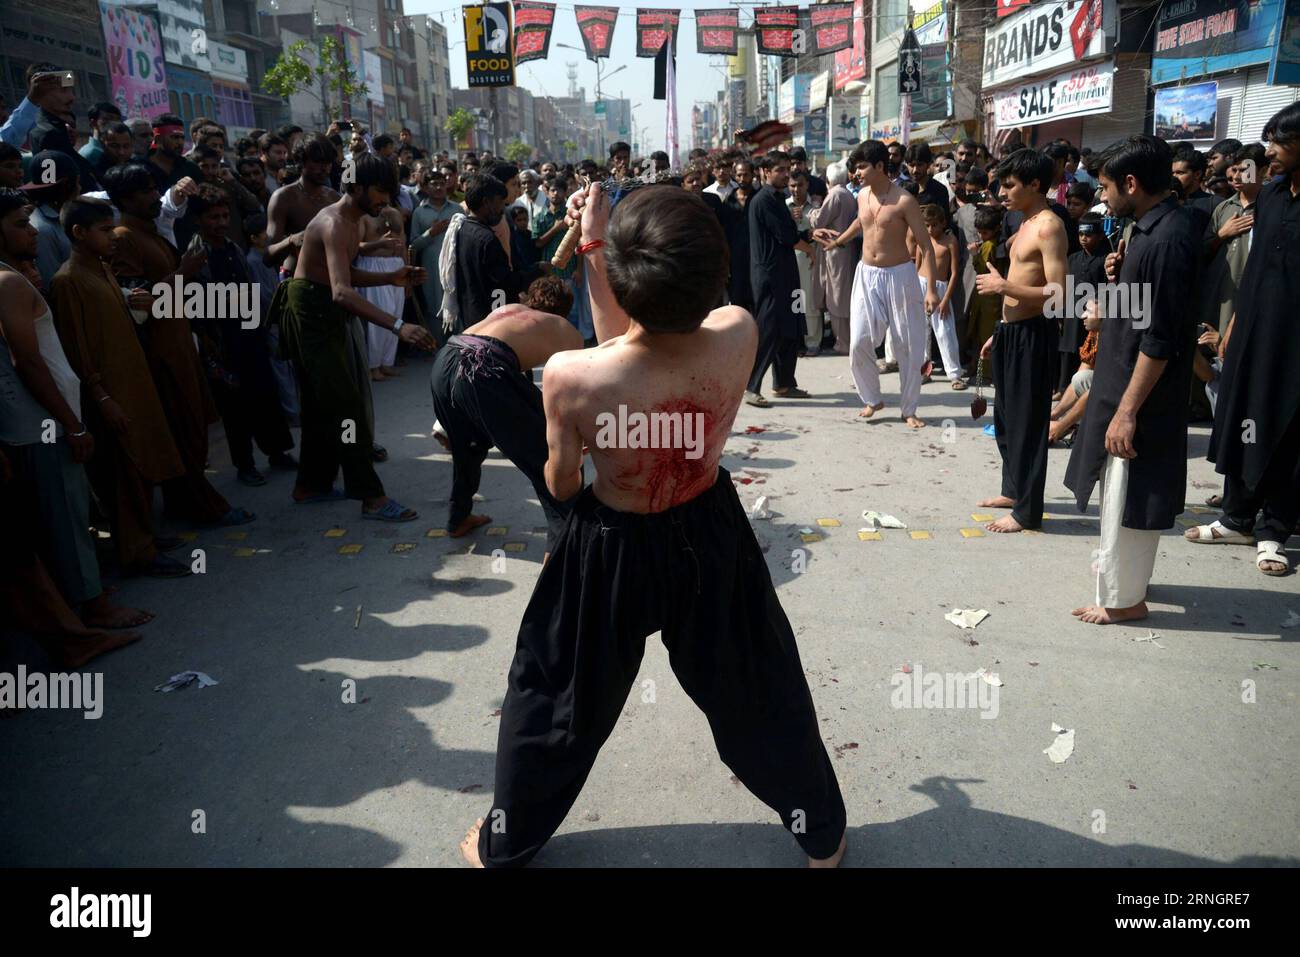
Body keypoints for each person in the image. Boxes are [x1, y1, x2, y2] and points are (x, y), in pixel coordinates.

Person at [461, 183, 847, 869]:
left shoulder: (573, 376)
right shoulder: (738, 330)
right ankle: (820, 831)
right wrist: (595, 243)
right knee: (758, 683)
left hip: (611, 544)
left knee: (555, 693)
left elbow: (562, 479)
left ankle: (509, 836)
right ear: (714, 272)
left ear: (617, 276)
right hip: (708, 528)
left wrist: (594, 244)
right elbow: (648, 339)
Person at [0, 188, 158, 634]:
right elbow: (28, 360)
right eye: (18, 223)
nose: (31, 232)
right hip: (43, 427)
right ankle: (93, 610)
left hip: (38, 424)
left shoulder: (21, 278)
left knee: (63, 518)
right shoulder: (15, 282)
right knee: (68, 522)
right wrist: (72, 423)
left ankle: (80, 601)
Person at [1065, 134, 1199, 622]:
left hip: (1142, 396)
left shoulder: (1167, 239)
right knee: (1116, 491)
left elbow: (1161, 338)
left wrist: (1127, 411)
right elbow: (1142, 309)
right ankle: (1123, 585)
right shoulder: (1142, 229)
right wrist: (1116, 289)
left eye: (1104, 187)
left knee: (1132, 495)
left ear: (1131, 182)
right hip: (1120, 378)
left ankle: (1125, 601)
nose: (1101, 197)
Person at [268, 152, 433, 520]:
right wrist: (396, 325)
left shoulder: (350, 220)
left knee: (320, 406)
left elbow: (340, 276)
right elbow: (341, 291)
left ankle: (310, 485)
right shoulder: (337, 223)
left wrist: (390, 278)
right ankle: (371, 497)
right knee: (348, 411)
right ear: (356, 187)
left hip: (321, 308)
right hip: (312, 314)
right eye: (379, 192)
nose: (385, 201)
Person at [48, 197, 190, 577]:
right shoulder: (68, 281)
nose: (113, 237)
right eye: (105, 231)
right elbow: (77, 348)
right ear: (79, 233)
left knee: (142, 467)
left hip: (133, 382)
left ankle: (145, 535)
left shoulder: (102, 269)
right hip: (110, 391)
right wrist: (102, 396)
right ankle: (136, 551)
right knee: (123, 472)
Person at [1192, 103, 1300, 576]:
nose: (1270, 150)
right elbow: (1254, 270)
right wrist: (1233, 328)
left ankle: (1274, 531)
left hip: (1294, 345)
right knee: (1243, 421)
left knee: (1287, 432)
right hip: (1252, 333)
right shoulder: (1272, 197)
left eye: (1279, 141)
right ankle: (1236, 518)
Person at [430, 297, 581, 545]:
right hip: (482, 368)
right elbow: (569, 398)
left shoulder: (510, 311)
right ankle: (567, 544)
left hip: (445, 360)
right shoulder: (566, 330)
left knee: (468, 448)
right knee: (551, 458)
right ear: (564, 311)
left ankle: (459, 517)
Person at [974, 148, 1068, 533]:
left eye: (1010, 184)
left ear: (1034, 184)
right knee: (1006, 420)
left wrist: (1003, 285)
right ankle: (1013, 491)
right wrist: (1000, 330)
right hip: (1011, 332)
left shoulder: (1049, 226)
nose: (1003, 191)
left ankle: (1027, 513)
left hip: (1034, 334)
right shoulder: (1022, 221)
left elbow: (1059, 294)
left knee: (1028, 425)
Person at [814, 140, 938, 428]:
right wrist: (837, 242)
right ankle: (872, 398)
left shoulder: (904, 200)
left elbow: (926, 246)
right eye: (855, 167)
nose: (857, 173)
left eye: (862, 167)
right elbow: (861, 222)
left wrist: (930, 289)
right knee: (858, 341)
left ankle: (909, 409)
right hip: (867, 274)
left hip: (900, 276)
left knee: (907, 344)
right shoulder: (861, 195)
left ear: (880, 166)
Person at [186, 185, 295, 487]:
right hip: (223, 342)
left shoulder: (232, 248)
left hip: (250, 334)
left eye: (224, 216)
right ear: (199, 219)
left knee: (265, 395)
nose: (220, 222)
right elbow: (195, 305)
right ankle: (245, 464)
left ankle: (277, 452)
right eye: (213, 217)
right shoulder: (196, 255)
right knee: (235, 409)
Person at [745, 151, 811, 405]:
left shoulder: (779, 199)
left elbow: (795, 233)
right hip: (771, 277)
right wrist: (810, 248)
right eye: (780, 170)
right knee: (770, 329)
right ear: (765, 172)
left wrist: (813, 236)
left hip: (788, 275)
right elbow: (787, 237)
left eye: (787, 169)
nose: (785, 174)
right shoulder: (763, 200)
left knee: (791, 327)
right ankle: (751, 386)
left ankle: (784, 383)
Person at [441, 173, 542, 336]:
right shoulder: (486, 239)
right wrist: (536, 271)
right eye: (500, 202)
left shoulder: (463, 229)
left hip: (471, 317)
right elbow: (504, 283)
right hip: (489, 322)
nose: (503, 209)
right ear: (486, 202)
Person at [265, 134, 338, 279]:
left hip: (331, 281)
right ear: (301, 161)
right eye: (318, 162)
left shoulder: (334, 198)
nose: (325, 168)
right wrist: (291, 241)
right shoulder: (283, 198)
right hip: (296, 279)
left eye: (328, 163)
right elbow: (268, 256)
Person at [355, 204, 407, 381]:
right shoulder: (363, 216)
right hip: (373, 265)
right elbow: (356, 246)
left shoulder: (395, 213)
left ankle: (386, 362)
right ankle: (372, 366)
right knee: (378, 318)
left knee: (395, 315)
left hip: (396, 264)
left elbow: (403, 241)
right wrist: (380, 243)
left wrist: (407, 269)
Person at [1058, 212, 1108, 396]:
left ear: (1100, 235)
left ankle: (1079, 389)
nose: (1084, 239)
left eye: (1089, 235)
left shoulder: (1105, 260)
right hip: (1071, 310)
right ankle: (1063, 388)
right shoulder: (1073, 258)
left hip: (1091, 314)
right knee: (1067, 348)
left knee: (1087, 350)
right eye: (1081, 234)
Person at [808, 161, 855, 354]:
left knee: (837, 298)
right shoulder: (848, 194)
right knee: (841, 295)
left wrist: (812, 210)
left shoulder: (835, 195)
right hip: (844, 251)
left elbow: (819, 220)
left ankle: (842, 342)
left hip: (835, 252)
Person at [918, 204, 965, 389]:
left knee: (945, 332)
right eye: (927, 225)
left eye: (935, 225)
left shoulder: (950, 241)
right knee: (921, 331)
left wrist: (945, 299)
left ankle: (954, 375)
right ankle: (923, 370)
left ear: (943, 223)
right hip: (920, 284)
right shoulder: (923, 239)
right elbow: (918, 265)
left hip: (940, 288)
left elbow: (954, 272)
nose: (931, 229)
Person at [22, 149, 78, 288]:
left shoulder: (61, 218)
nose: (79, 188)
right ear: (67, 184)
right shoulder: (42, 229)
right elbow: (52, 284)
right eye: (77, 182)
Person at [410, 167, 458, 323]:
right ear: (425, 187)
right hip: (430, 272)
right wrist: (431, 233)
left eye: (442, 184)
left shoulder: (457, 210)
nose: (439, 187)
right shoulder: (419, 212)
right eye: (434, 184)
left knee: (456, 311)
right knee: (434, 313)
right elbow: (413, 246)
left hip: (454, 269)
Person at [788, 170, 823, 357]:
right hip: (789, 262)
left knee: (809, 302)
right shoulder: (783, 206)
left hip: (810, 261)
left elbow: (818, 232)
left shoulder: (815, 206)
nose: (796, 189)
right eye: (792, 185)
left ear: (807, 185)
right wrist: (790, 219)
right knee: (794, 303)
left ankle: (812, 341)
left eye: (800, 185)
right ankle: (796, 342)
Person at [146, 114, 202, 192]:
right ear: (158, 139)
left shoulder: (191, 168)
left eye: (182, 138)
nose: (180, 142)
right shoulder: (142, 167)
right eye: (174, 137)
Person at [78, 101, 122, 173]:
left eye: (117, 120)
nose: (114, 124)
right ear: (93, 123)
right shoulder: (91, 153)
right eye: (108, 119)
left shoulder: (116, 149)